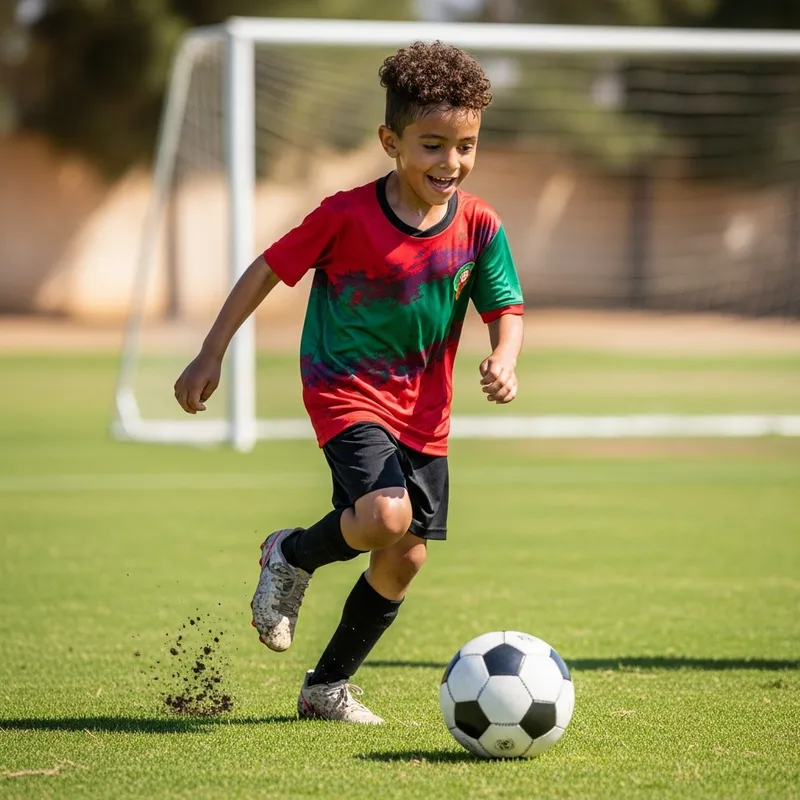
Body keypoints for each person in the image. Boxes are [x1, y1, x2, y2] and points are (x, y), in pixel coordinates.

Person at [173, 40, 524, 724]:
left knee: (405, 558)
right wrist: (211, 351)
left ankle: (325, 688)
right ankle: (290, 555)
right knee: (386, 516)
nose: (450, 163)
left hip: (426, 413)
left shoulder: (479, 226)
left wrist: (505, 356)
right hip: (345, 391)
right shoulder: (345, 215)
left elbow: (504, 306)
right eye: (432, 145)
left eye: (465, 146)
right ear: (390, 141)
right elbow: (267, 270)